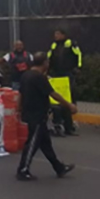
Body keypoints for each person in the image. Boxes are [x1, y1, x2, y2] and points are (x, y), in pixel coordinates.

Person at [16, 53, 77, 181]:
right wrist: (69, 105)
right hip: (37, 114)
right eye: (47, 62)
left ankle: (59, 167)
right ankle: (23, 169)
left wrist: (18, 109)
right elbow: (53, 94)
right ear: (44, 63)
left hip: (31, 113)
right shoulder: (39, 77)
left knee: (45, 144)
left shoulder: (26, 75)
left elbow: (20, 94)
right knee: (32, 143)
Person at [47, 29, 82, 135]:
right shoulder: (54, 45)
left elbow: (78, 55)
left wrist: (78, 68)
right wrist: (48, 71)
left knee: (67, 99)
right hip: (56, 75)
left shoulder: (70, 44)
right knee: (57, 100)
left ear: (64, 35)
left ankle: (68, 126)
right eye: (55, 34)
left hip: (67, 74)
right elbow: (49, 57)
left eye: (58, 34)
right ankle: (57, 124)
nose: (56, 36)